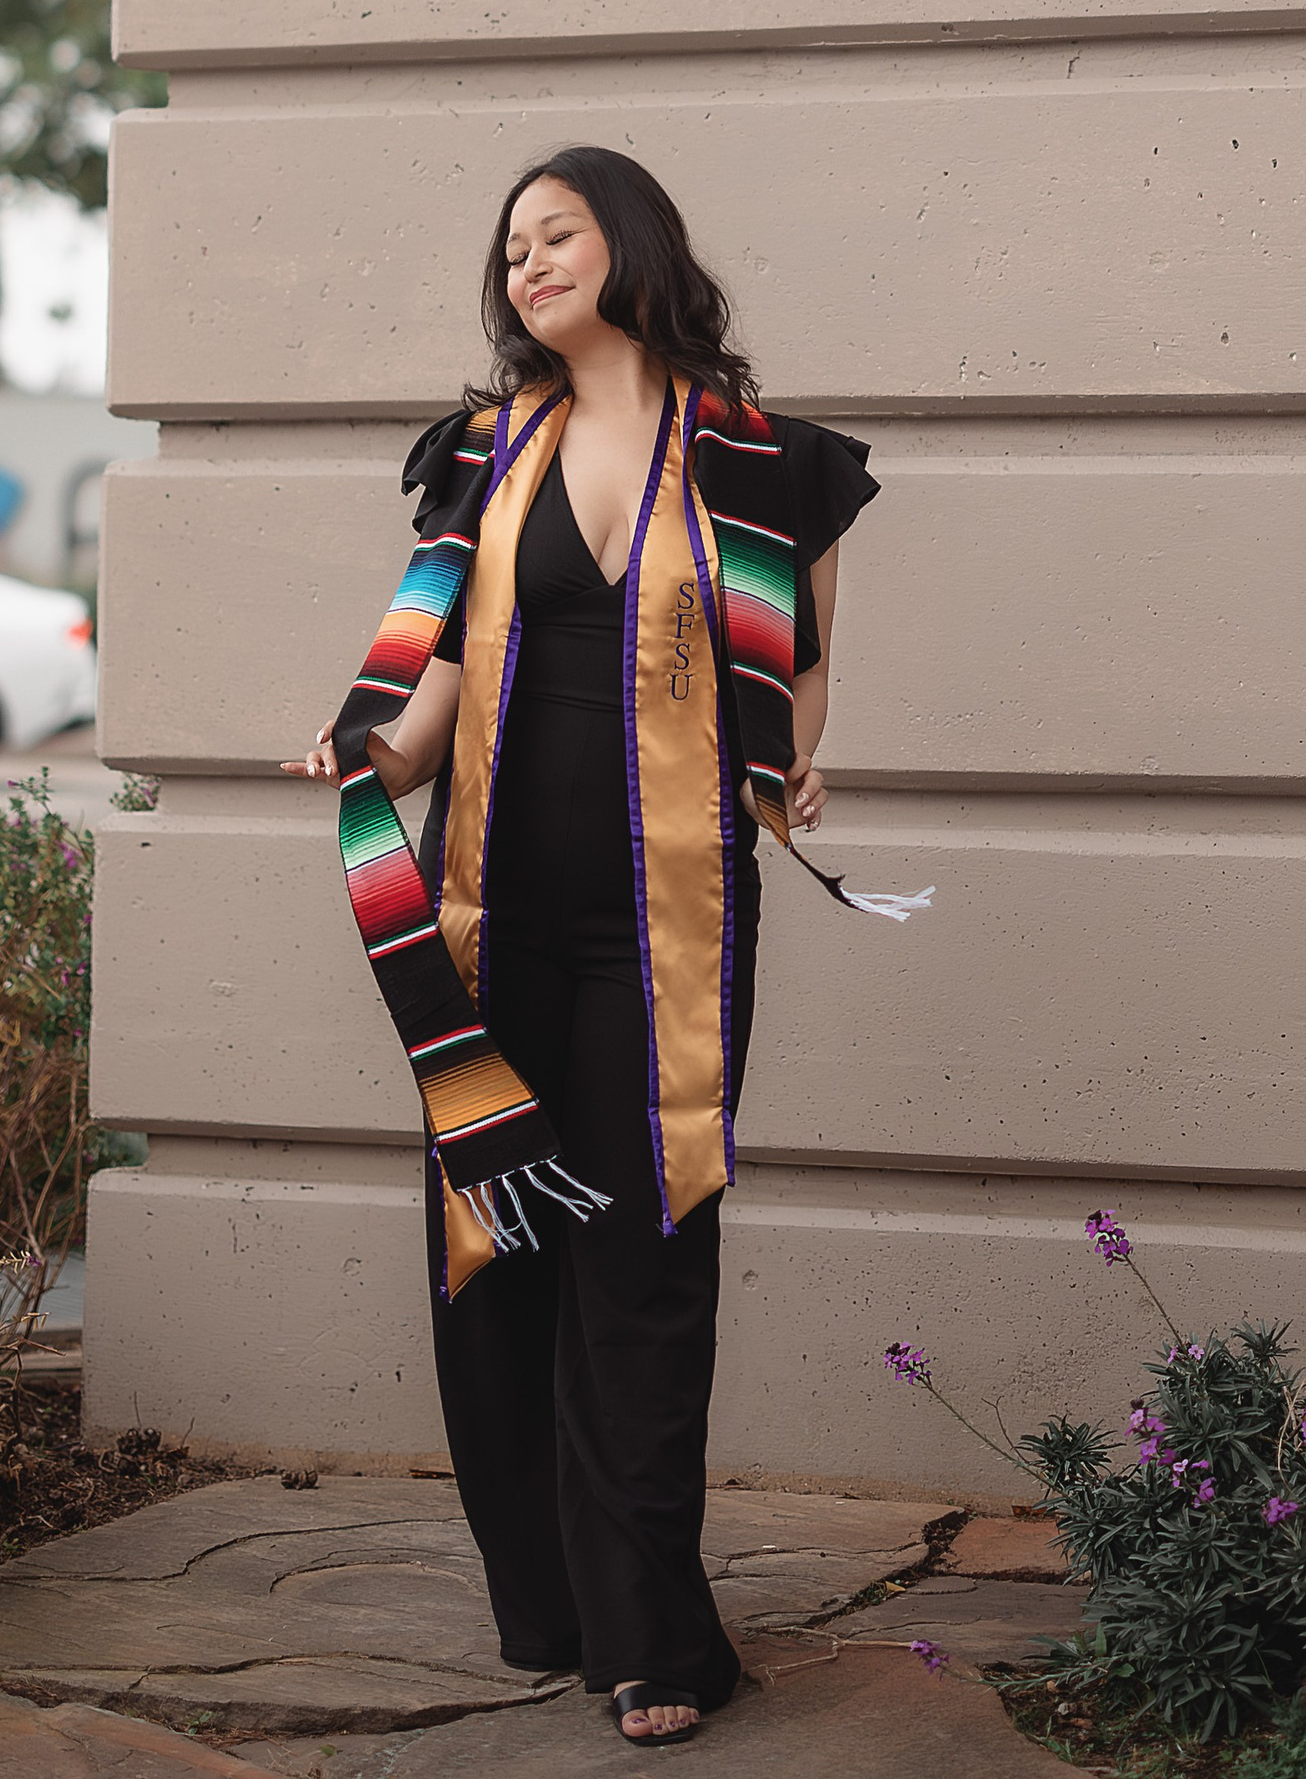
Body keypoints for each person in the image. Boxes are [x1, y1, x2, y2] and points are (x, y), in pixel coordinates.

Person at [286, 145, 885, 1747]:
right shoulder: (484, 455)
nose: (527, 264)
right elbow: (425, 705)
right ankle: (550, 1603)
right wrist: (361, 752)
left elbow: (802, 670)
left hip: (668, 926)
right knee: (494, 1252)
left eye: (554, 234)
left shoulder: (773, 461)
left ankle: (652, 1634)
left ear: (630, 239)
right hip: (491, 917)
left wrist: (793, 760)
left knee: (646, 1255)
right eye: (510, 250)